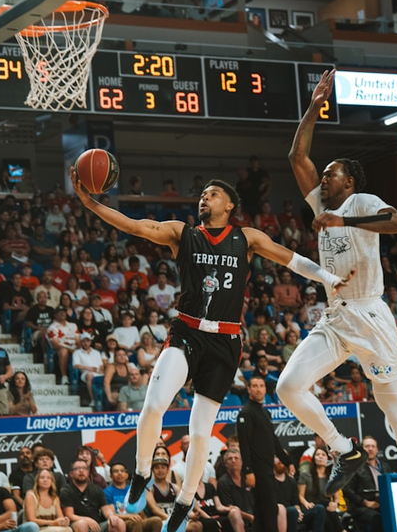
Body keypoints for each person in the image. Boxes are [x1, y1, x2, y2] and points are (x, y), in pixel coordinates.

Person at [70, 169, 347, 532]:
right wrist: (91, 202)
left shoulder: (246, 237)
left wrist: (329, 279)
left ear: (230, 205)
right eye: (202, 194)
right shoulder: (181, 233)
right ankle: (141, 472)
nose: (204, 197)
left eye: (213, 194)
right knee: (153, 405)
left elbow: (290, 259)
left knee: (201, 431)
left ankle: (185, 501)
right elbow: (134, 226)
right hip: (187, 330)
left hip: (226, 341)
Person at [280, 68, 397, 531]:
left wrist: (345, 224)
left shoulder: (362, 202)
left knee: (393, 409)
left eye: (332, 174)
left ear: (350, 181)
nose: (324, 178)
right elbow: (296, 154)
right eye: (323, 176)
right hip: (336, 318)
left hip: (372, 316)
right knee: (288, 386)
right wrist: (313, 106)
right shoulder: (321, 207)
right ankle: (342, 449)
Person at [236, 374, 291, 532]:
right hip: (257, 470)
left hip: (268, 468)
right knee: (270, 509)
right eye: (254, 386)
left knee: (260, 510)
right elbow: (244, 444)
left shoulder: (265, 413)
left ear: (265, 389)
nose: (258, 389)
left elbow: (273, 441)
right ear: (248, 389)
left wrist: (287, 461)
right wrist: (248, 470)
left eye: (261, 386)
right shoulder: (246, 413)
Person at [61, 458, 125, 532]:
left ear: (88, 472)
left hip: (97, 524)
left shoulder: (96, 489)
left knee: (119, 522)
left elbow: (106, 509)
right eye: (77, 468)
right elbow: (69, 515)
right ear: (72, 473)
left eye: (84, 468)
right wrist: (86, 519)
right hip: (77, 523)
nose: (81, 471)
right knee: (82, 524)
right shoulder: (66, 490)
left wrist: (111, 516)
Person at [344, 436, 391, 532]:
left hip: (384, 503)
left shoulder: (385, 466)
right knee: (377, 518)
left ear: (377, 450)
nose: (370, 449)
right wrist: (364, 502)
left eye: (373, 446)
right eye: (367, 446)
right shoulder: (354, 466)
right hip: (362, 506)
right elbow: (347, 489)